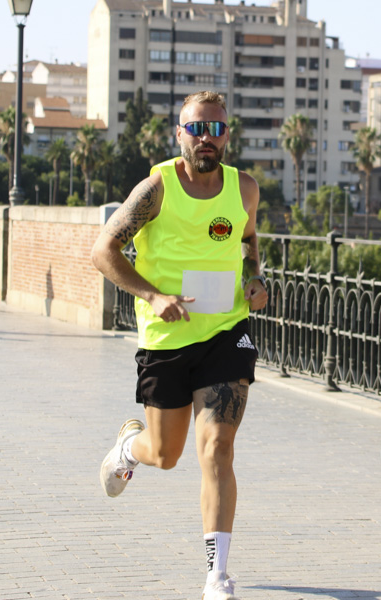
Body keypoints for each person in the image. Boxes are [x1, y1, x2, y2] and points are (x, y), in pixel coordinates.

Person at [92, 90, 267, 600]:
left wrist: (257, 281)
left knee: (217, 448)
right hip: (166, 339)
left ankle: (217, 575)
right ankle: (129, 446)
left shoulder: (245, 188)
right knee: (165, 455)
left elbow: (250, 242)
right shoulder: (158, 188)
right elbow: (103, 250)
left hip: (226, 333)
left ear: (227, 135)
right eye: (197, 129)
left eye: (216, 129)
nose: (206, 139)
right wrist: (152, 294)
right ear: (179, 135)